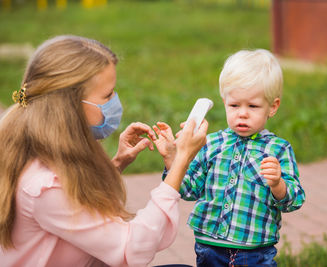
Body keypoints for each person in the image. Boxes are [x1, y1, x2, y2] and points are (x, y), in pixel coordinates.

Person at [0, 35, 208, 267]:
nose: (114, 101)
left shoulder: (36, 145)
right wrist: (180, 163)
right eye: (107, 95)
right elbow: (132, 249)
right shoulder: (43, 187)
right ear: (70, 105)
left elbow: (74, 202)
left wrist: (117, 163)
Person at [153, 49, 305, 266]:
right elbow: (189, 190)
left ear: (273, 106)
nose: (242, 113)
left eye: (252, 106)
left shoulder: (278, 149)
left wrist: (278, 184)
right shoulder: (210, 143)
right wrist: (171, 159)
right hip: (210, 247)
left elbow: (294, 200)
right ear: (224, 101)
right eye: (234, 105)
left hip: (255, 252)